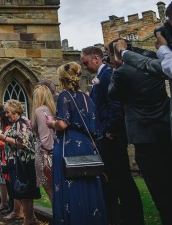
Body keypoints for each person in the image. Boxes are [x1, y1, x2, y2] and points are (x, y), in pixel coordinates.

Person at [109, 39, 172, 224]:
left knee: (160, 192)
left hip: (144, 138)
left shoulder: (122, 73)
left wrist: (117, 66)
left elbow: (112, 93)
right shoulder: (153, 61)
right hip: (165, 130)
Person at [81, 45, 143, 224]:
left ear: (96, 58)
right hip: (105, 138)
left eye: (86, 63)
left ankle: (133, 219)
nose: (85, 67)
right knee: (112, 182)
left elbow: (115, 105)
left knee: (123, 181)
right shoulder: (100, 77)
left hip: (112, 138)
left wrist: (110, 131)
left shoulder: (107, 74)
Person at [47, 62, 107, 225]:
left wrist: (51, 123)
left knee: (70, 186)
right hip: (87, 144)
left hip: (69, 145)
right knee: (88, 186)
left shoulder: (65, 96)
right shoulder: (87, 98)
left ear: (62, 79)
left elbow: (63, 124)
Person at [0, 99, 41, 225]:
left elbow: (22, 143)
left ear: (15, 111)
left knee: (25, 192)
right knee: (22, 192)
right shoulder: (16, 123)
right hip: (17, 162)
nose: (6, 114)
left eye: (8, 112)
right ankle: (32, 219)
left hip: (24, 162)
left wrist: (4, 138)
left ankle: (28, 220)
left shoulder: (22, 122)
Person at [30, 81, 56, 202]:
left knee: (50, 190)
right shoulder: (51, 109)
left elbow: (45, 136)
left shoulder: (40, 110)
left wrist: (45, 155)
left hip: (45, 153)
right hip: (54, 150)